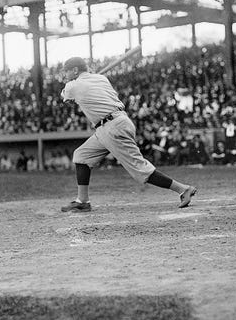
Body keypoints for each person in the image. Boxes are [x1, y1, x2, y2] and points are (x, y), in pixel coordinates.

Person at [59, 57, 197, 212]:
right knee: (81, 156)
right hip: (112, 124)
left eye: (67, 71)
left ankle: (183, 189)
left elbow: (65, 96)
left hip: (112, 127)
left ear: (75, 70)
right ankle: (83, 201)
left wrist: (72, 91)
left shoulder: (73, 85)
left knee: (139, 169)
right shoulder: (101, 78)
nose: (65, 75)